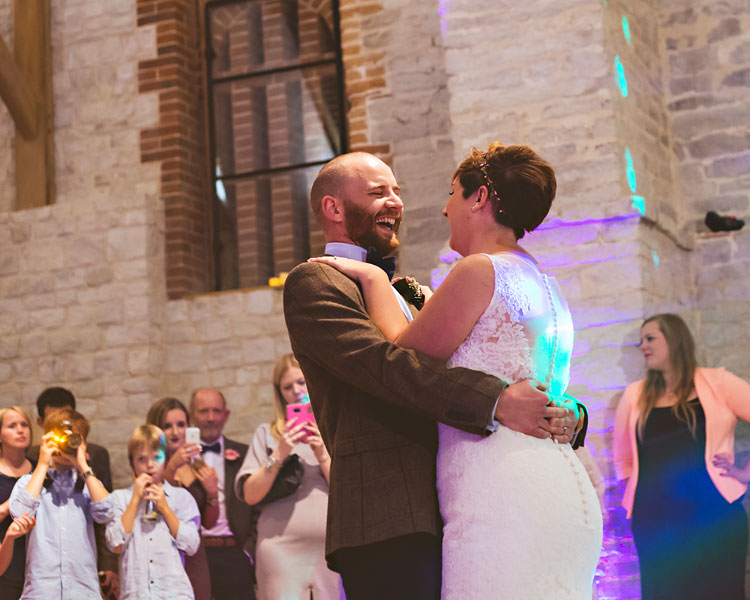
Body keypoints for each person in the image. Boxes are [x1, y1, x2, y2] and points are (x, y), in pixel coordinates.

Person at [302, 144, 600, 599]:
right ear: (333, 206)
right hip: (390, 514)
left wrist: (560, 410)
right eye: (379, 191)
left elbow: (507, 374)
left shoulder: (437, 284)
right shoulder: (317, 280)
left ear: (478, 199)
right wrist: (502, 401)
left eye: (397, 191)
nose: (402, 203)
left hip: (476, 495)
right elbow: (390, 368)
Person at [613, 313, 750, 600]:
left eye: (650, 338)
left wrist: (747, 472)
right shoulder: (635, 395)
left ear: (675, 340)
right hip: (656, 525)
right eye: (641, 340)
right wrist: (637, 498)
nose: (643, 346)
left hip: (713, 518)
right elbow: (624, 460)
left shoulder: (717, 382)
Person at [236, 354, 341, 600]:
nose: (296, 390)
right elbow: (249, 495)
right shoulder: (267, 434)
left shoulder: (333, 427)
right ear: (279, 392)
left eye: (302, 382)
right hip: (280, 550)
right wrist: (281, 452)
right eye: (287, 386)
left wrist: (322, 455)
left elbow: (349, 491)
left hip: (331, 550)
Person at [10, 408, 114, 598]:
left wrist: (82, 464)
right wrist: (43, 463)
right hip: (41, 592)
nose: (64, 444)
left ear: (83, 443)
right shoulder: (29, 482)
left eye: (71, 439)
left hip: (83, 592)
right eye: (58, 437)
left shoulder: (88, 485)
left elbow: (106, 512)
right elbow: (20, 514)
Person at [106, 424, 200, 599]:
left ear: (165, 459)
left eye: (157, 457)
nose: (150, 465)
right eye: (141, 459)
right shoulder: (120, 498)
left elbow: (192, 545)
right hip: (136, 593)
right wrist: (135, 500)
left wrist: (164, 507)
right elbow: (114, 543)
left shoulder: (181, 497)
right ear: (132, 462)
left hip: (174, 593)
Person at [190, 388, 258, 600]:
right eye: (203, 411)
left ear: (226, 415)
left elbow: (257, 505)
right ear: (192, 414)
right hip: (195, 554)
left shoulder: (245, 454)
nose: (211, 418)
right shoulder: (180, 457)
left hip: (234, 552)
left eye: (216, 411)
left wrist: (248, 551)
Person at [146, 397, 217, 600]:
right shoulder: (148, 465)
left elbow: (209, 523)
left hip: (195, 556)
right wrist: (171, 468)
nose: (175, 432)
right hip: (162, 554)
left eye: (181, 425)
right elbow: (152, 504)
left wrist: (212, 494)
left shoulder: (198, 465)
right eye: (167, 426)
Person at [0, 406, 34, 596]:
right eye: (12, 426)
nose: (20, 430)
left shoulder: (40, 469)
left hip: (38, 565)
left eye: (24, 425)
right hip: (5, 566)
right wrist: (8, 506)